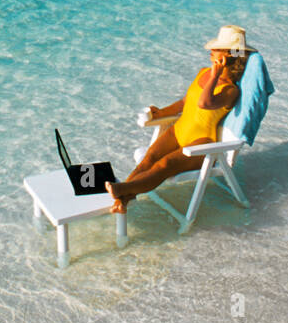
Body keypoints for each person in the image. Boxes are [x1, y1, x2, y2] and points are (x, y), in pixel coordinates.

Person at [105, 26, 253, 214]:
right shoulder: (202, 72)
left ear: (228, 55)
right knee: (148, 159)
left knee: (165, 165)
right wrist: (160, 113)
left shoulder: (231, 91)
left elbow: (204, 102)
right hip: (180, 129)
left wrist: (216, 75)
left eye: (216, 49)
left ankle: (122, 191)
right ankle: (122, 197)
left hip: (201, 142)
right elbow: (185, 102)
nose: (211, 51)